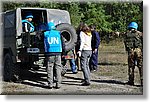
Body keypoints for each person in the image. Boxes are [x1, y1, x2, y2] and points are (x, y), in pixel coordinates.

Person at [44, 22, 65, 89]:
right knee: (58, 68)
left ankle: (50, 84)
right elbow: (63, 44)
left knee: (50, 68)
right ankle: (58, 84)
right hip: (58, 53)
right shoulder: (58, 33)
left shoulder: (46, 34)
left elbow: (44, 44)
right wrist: (63, 52)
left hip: (50, 53)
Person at [124, 22, 143, 86]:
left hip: (130, 51)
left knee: (131, 66)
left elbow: (125, 43)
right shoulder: (140, 34)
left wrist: (127, 50)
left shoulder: (127, 34)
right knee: (141, 66)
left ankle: (131, 81)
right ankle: (143, 81)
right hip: (138, 51)